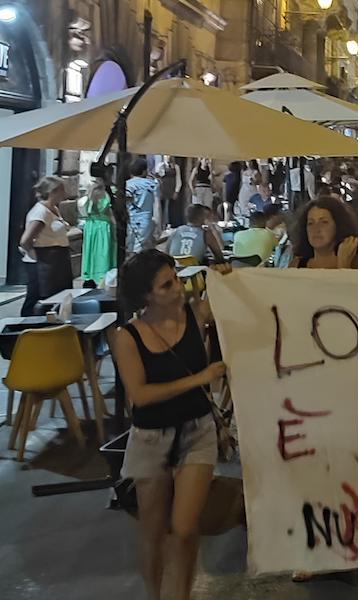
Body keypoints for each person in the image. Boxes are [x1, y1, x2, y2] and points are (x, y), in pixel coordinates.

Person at [112, 249, 230, 600]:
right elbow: (140, 395)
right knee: (152, 530)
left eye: (176, 279)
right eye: (167, 285)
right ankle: (154, 593)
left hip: (198, 430)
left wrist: (226, 279)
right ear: (146, 296)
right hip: (151, 437)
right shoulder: (127, 337)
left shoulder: (195, 314)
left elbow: (235, 302)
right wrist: (200, 379)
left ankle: (180, 594)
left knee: (184, 527)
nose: (178, 288)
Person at [19, 176, 74, 316]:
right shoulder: (41, 212)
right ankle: (28, 327)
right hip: (45, 262)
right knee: (39, 298)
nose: (65, 193)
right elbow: (25, 240)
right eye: (62, 190)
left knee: (57, 297)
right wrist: (34, 254)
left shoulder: (54, 209)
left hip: (57, 260)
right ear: (52, 191)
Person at [288, 196, 358, 269]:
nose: (316, 228)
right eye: (310, 223)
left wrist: (344, 265)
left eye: (324, 222)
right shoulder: (296, 264)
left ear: (338, 226)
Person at [79, 181, 117, 287]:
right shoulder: (105, 198)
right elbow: (110, 215)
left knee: (91, 252)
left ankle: (90, 274)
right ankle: (103, 275)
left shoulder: (85, 200)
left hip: (91, 227)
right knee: (103, 252)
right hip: (103, 227)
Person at [128, 158, 161, 253]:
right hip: (145, 221)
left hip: (129, 221)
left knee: (130, 250)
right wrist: (158, 225)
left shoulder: (126, 185)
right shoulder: (152, 185)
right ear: (144, 171)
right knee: (142, 252)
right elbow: (157, 206)